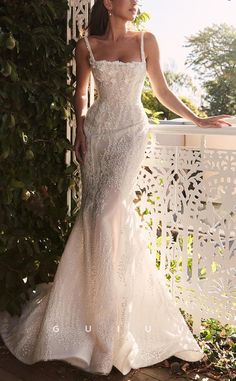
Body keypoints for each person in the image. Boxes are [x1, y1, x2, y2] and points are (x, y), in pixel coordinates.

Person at [0, 0, 233, 377]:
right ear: (108, 3)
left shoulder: (147, 40)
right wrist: (79, 128)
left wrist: (198, 119)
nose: (135, 2)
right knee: (96, 216)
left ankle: (114, 320)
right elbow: (81, 92)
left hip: (129, 134)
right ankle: (90, 313)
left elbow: (161, 90)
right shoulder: (86, 45)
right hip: (98, 133)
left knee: (109, 211)